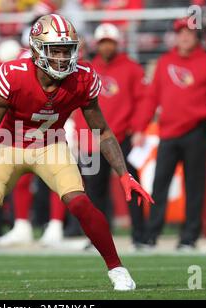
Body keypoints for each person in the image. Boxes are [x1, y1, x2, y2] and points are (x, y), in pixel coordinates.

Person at [0, 14, 153, 293]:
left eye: (66, 49)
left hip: (51, 144)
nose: (61, 57)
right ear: (35, 50)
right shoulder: (14, 75)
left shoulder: (82, 78)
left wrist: (124, 174)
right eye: (54, 50)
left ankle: (117, 269)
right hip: (9, 145)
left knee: (80, 203)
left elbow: (102, 131)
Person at [133, 17, 206, 250]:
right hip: (169, 131)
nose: (184, 36)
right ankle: (151, 235)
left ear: (197, 37)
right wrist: (140, 127)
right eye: (181, 32)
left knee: (195, 186)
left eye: (189, 33)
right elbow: (151, 98)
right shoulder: (165, 62)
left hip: (197, 130)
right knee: (159, 185)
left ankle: (189, 237)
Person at [73, 23, 147, 248]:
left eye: (110, 42)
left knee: (131, 184)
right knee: (94, 192)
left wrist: (139, 127)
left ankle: (140, 236)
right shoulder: (86, 69)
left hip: (120, 136)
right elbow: (77, 103)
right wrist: (79, 134)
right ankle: (98, 238)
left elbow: (143, 100)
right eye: (102, 42)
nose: (106, 47)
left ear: (117, 43)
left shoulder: (132, 68)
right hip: (91, 139)